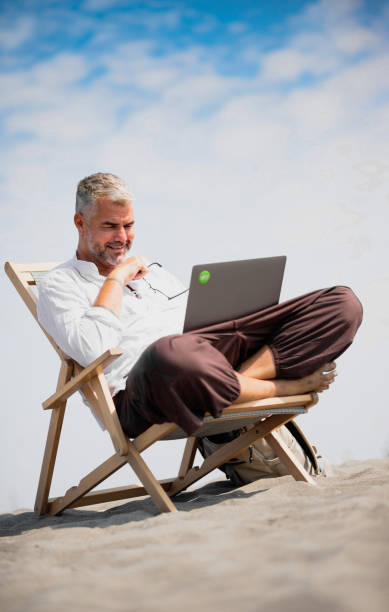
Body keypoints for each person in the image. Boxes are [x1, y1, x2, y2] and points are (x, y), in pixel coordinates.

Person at [37, 172, 363, 438]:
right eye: (110, 226)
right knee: (171, 352)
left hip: (206, 359)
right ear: (80, 223)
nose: (122, 237)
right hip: (145, 389)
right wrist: (117, 278)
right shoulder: (58, 284)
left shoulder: (153, 273)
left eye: (129, 225)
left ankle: (237, 383)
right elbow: (95, 350)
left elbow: (196, 321)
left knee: (340, 303)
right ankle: (279, 386)